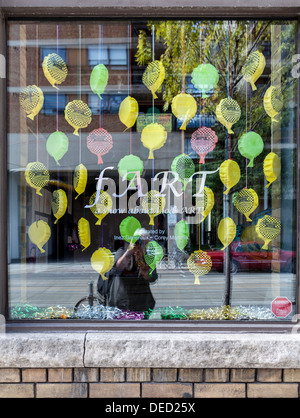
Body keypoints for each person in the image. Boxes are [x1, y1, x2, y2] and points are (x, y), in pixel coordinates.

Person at [97, 228, 157, 313]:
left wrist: (142, 261)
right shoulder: (122, 252)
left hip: (142, 303)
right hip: (122, 302)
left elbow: (152, 278)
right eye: (140, 243)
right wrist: (129, 252)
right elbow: (117, 269)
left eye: (146, 244)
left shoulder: (148, 258)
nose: (143, 246)